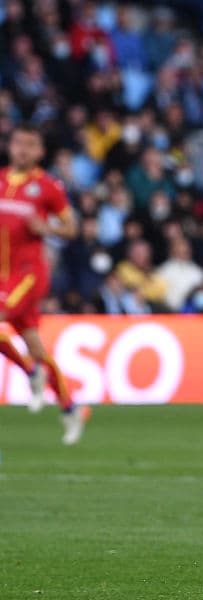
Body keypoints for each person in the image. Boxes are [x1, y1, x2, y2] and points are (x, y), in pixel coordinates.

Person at [0, 125, 88, 444]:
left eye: (30, 145)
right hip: (2, 275)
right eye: (18, 143)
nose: (22, 149)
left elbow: (72, 228)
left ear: (40, 152)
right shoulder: (0, 180)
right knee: (36, 347)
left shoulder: (47, 187)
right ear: (10, 147)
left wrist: (46, 227)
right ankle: (69, 406)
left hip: (28, 274)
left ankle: (30, 373)